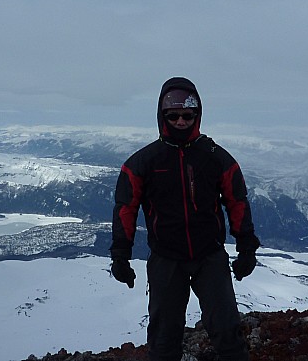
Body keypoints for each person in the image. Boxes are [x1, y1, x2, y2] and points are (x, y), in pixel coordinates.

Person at [110, 76, 261, 361]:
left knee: (228, 332)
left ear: (197, 115)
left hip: (210, 255)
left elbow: (237, 201)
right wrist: (120, 254)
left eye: (187, 115)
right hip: (167, 259)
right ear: (162, 116)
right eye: (174, 115)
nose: (181, 122)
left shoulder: (215, 157)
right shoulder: (143, 162)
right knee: (164, 341)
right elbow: (125, 208)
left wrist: (247, 248)